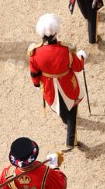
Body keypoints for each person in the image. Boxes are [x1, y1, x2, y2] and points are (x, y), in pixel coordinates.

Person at [27, 14, 86, 149]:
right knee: (72, 109)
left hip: (48, 86)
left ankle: (65, 119)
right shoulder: (66, 50)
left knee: (59, 107)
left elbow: (34, 73)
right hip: (67, 84)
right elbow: (78, 67)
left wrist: (37, 84)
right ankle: (71, 140)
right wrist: (81, 56)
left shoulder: (34, 52)